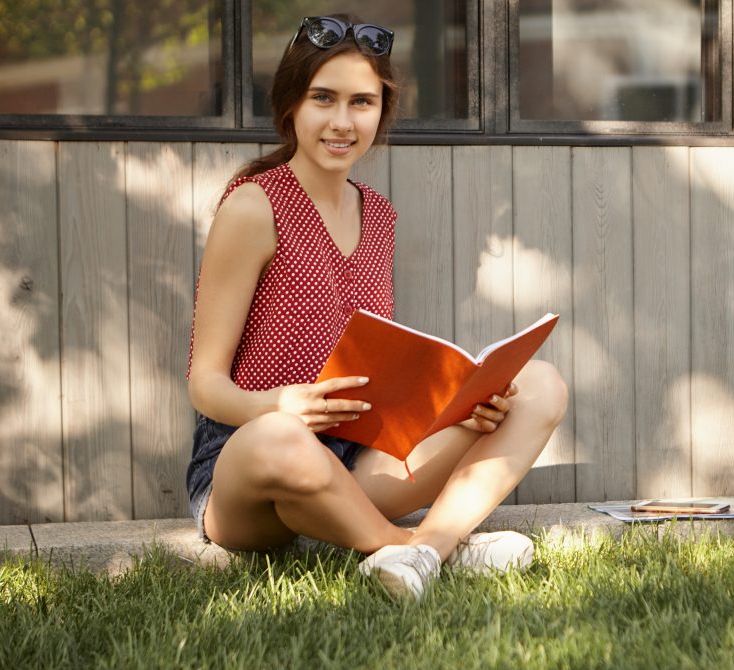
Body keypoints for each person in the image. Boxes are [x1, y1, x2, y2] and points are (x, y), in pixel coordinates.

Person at [185, 15, 568, 601]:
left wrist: (464, 409)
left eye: (361, 102)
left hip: (359, 458)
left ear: (381, 112)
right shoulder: (253, 208)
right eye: (324, 99)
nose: (342, 122)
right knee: (281, 437)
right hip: (250, 472)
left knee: (539, 384)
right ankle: (434, 550)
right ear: (291, 105)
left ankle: (420, 556)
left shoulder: (378, 215)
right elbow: (204, 385)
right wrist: (282, 405)